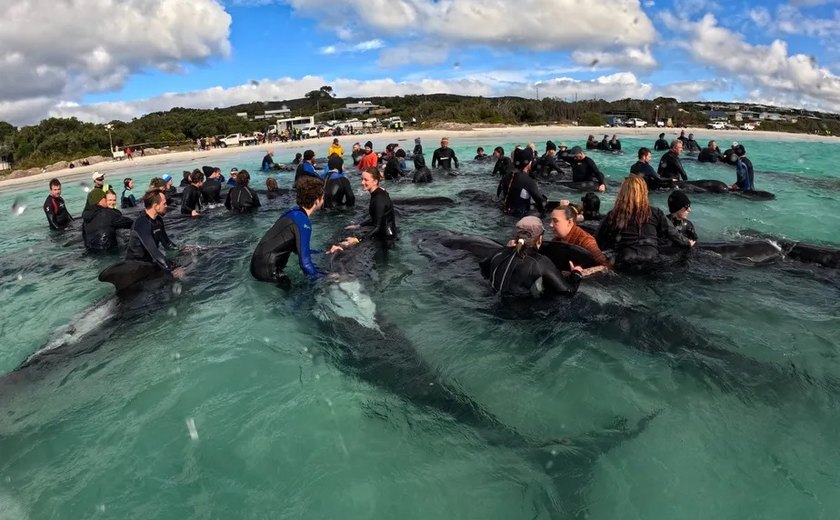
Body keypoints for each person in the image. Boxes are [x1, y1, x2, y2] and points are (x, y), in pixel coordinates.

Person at [595, 176, 695, 269]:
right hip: (652, 259)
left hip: (626, 260)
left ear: (622, 194)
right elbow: (673, 234)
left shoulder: (613, 215)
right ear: (644, 193)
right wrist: (687, 243)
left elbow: (597, 240)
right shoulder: (656, 213)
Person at [480, 216, 584, 298]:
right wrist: (576, 274)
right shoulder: (540, 262)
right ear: (539, 239)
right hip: (519, 316)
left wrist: (505, 249)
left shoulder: (499, 253)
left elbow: (484, 269)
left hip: (492, 303)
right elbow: (567, 292)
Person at [250, 177, 326, 286]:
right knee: (302, 295)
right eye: (323, 198)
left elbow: (297, 249)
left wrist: (321, 252)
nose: (323, 200)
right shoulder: (303, 222)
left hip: (257, 265)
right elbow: (305, 265)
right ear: (317, 200)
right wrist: (326, 278)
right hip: (268, 271)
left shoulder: (292, 212)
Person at [337, 168, 397, 248]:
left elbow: (377, 227)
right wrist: (359, 225)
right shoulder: (378, 193)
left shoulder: (379, 199)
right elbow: (377, 218)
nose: (362, 182)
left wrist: (358, 240)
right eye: (362, 179)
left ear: (375, 181)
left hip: (387, 238)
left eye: (366, 180)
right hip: (383, 233)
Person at [125, 189, 177, 271]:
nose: (166, 206)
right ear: (156, 206)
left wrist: (184, 249)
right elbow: (155, 254)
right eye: (164, 203)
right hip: (136, 268)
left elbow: (167, 244)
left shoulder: (158, 220)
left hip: (149, 263)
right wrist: (173, 268)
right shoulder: (142, 223)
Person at [499, 148, 546, 217]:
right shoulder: (528, 181)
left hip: (504, 213)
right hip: (519, 217)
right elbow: (541, 202)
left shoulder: (506, 176)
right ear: (528, 163)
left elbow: (499, 193)